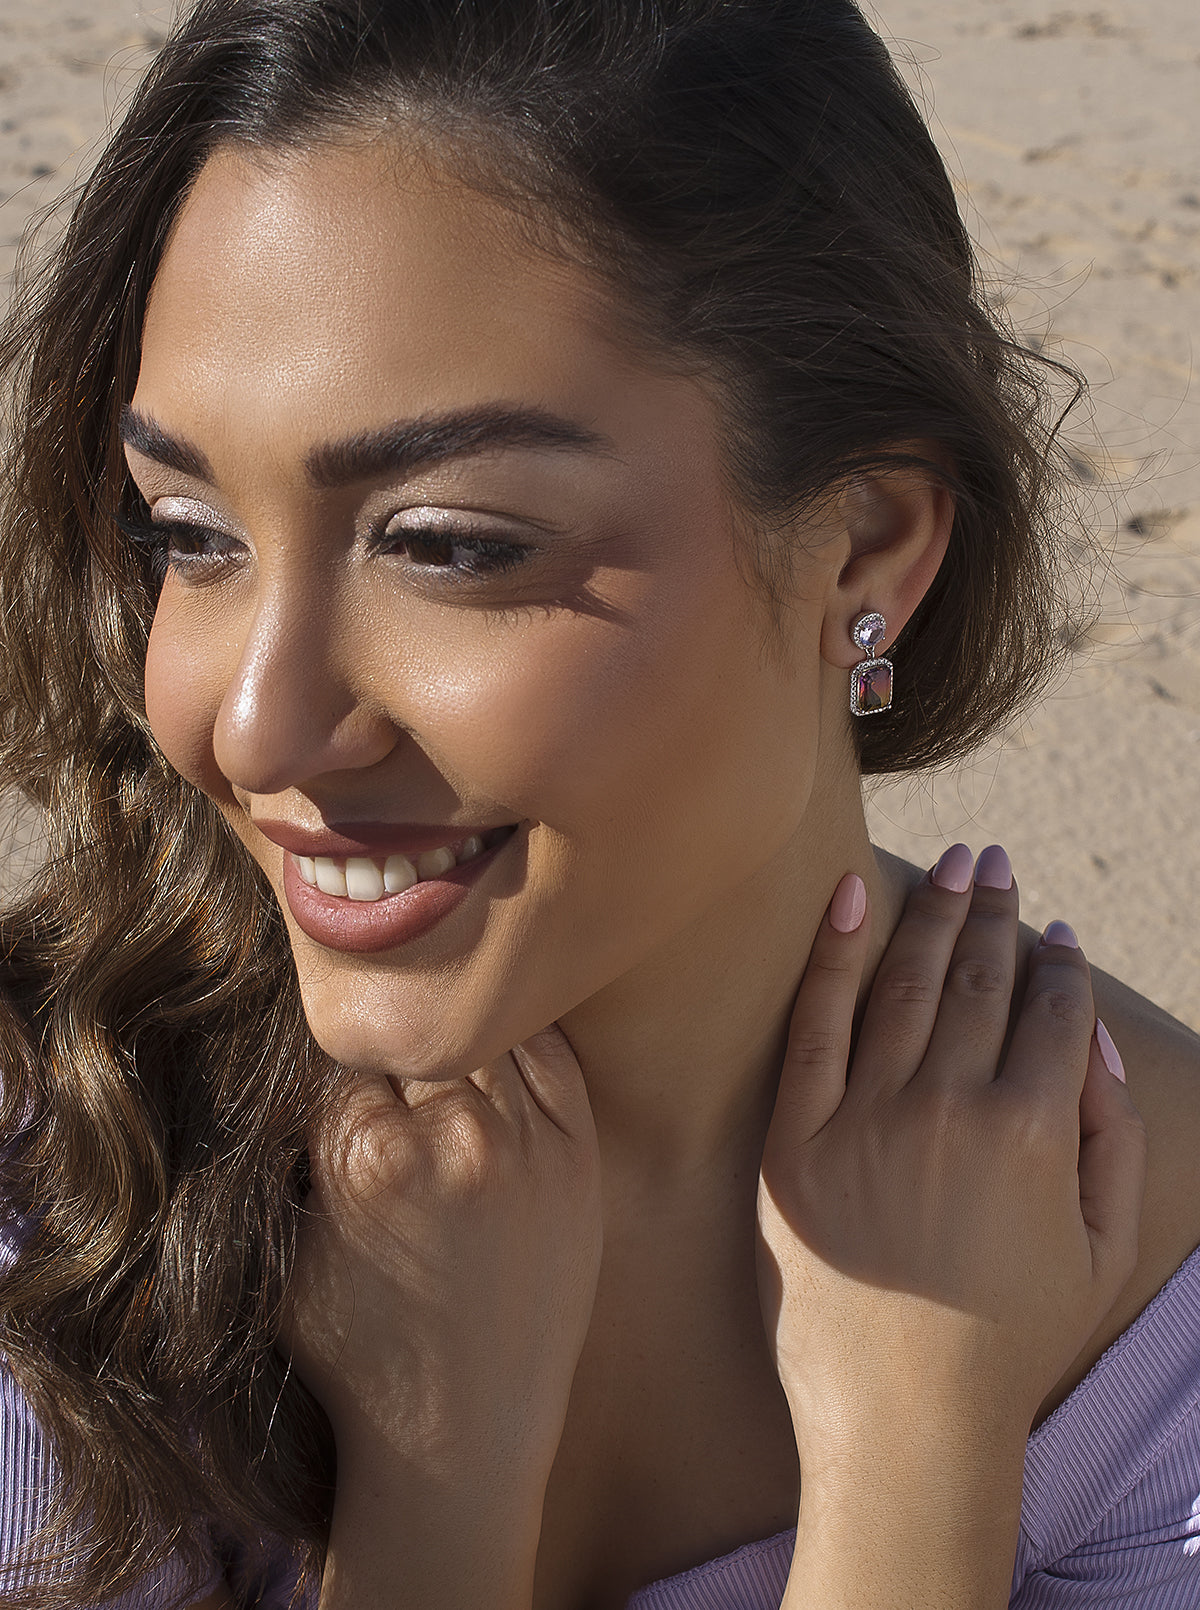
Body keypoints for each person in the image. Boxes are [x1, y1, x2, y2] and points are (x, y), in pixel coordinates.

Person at [0, 1, 1196, 1605]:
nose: (256, 723)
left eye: (449, 544)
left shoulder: (1152, 1312)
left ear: (865, 547)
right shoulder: (62, 1185)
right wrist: (441, 1472)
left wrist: (920, 1434)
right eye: (191, 534)